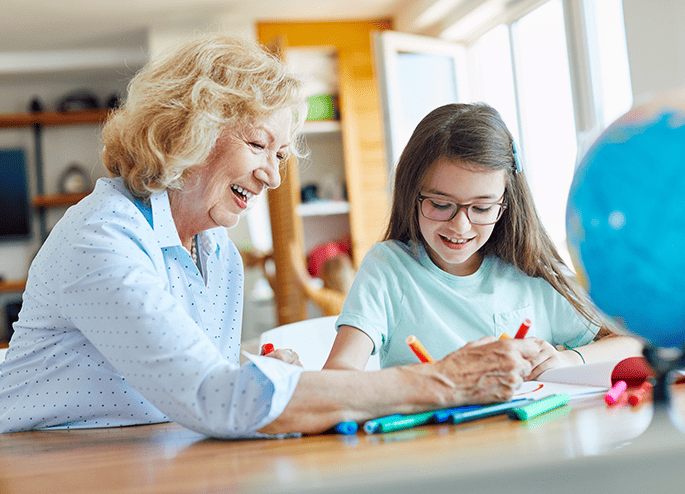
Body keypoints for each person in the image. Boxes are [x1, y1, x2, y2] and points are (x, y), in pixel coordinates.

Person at [0, 36, 546, 438]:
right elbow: (215, 400)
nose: (274, 176)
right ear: (190, 126)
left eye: (282, 155)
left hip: (144, 456)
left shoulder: (217, 254)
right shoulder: (102, 237)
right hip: (45, 465)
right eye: (260, 146)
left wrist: (253, 371)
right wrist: (443, 382)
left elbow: (183, 374)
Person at [323, 103, 642, 376]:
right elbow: (338, 374)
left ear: (506, 203)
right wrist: (433, 380)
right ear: (411, 194)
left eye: (482, 207)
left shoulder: (529, 271)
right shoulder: (389, 269)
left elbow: (632, 341)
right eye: (440, 204)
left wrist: (568, 358)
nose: (460, 226)